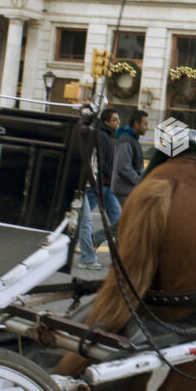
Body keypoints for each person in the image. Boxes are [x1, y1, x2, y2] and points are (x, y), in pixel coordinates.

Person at [76, 109, 121, 270]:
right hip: (98, 185)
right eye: (115, 119)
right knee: (84, 221)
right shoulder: (100, 136)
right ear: (106, 122)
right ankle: (86, 257)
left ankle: (99, 244)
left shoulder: (110, 137)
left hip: (107, 185)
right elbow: (99, 162)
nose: (118, 122)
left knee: (120, 221)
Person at [112, 109, 149, 205]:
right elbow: (123, 168)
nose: (147, 128)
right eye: (145, 124)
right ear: (136, 124)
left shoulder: (132, 139)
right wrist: (139, 181)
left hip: (128, 189)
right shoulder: (126, 140)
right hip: (125, 190)